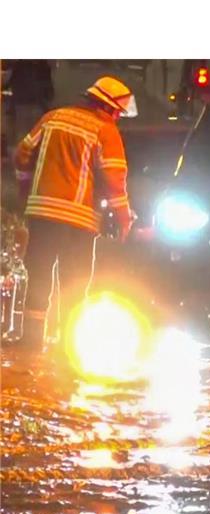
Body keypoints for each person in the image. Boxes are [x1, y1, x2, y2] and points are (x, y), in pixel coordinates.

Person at [13, 76, 135, 355]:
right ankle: (68, 346)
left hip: (41, 212)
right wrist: (125, 218)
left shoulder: (52, 118)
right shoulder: (105, 130)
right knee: (75, 281)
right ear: (110, 108)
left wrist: (24, 185)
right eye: (119, 113)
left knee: (40, 274)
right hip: (79, 220)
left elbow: (22, 155)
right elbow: (115, 180)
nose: (118, 118)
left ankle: (31, 342)